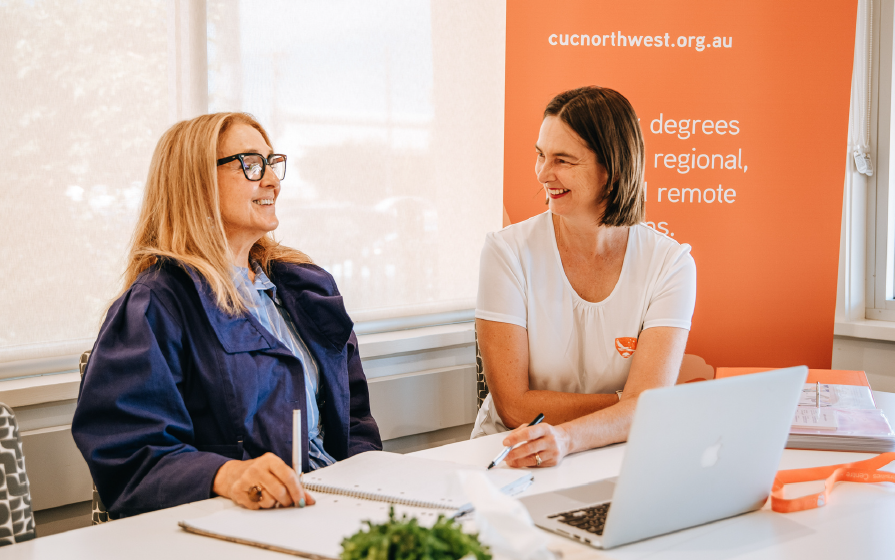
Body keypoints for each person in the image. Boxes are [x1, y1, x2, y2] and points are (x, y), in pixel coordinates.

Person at [72, 113, 381, 517]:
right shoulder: (155, 304)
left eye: (273, 163)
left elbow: (354, 420)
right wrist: (228, 475)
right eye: (251, 165)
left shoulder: (307, 289)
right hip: (244, 523)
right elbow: (131, 455)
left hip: (337, 508)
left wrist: (369, 489)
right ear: (195, 182)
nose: (272, 180)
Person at [472, 86, 696, 468]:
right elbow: (513, 406)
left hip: (616, 455)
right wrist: (627, 405)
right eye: (541, 155)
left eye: (563, 160)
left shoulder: (670, 264)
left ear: (613, 169)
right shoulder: (506, 252)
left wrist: (571, 436)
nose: (543, 173)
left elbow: (648, 405)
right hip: (512, 454)